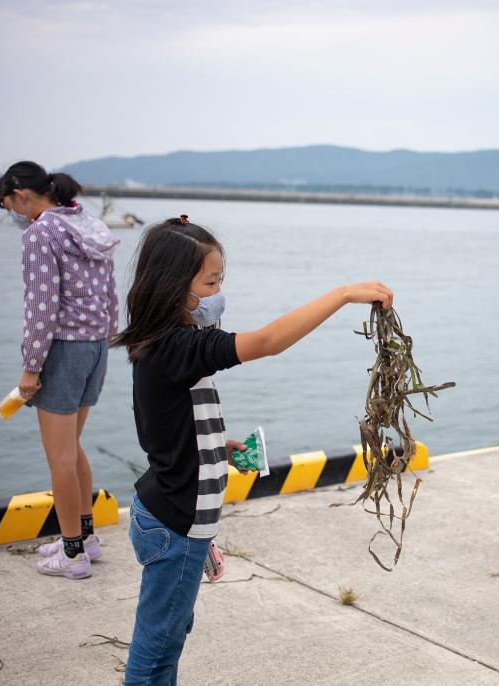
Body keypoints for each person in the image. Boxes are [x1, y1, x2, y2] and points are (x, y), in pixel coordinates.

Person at [111, 216, 392, 684]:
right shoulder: (178, 346)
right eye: (211, 282)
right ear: (174, 287)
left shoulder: (161, 345)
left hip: (175, 516)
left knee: (170, 636)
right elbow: (266, 342)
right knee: (156, 648)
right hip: (176, 525)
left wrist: (214, 446)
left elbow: (162, 424)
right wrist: (343, 294)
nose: (220, 291)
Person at [0, 162, 119, 579]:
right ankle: (86, 539)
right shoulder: (89, 225)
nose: (12, 212)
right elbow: (111, 294)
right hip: (95, 348)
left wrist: (31, 366)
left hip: (63, 351)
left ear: (21, 195)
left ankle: (71, 555)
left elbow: (41, 305)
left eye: (8, 203)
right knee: (73, 448)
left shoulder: (41, 233)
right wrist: (105, 339)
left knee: (60, 457)